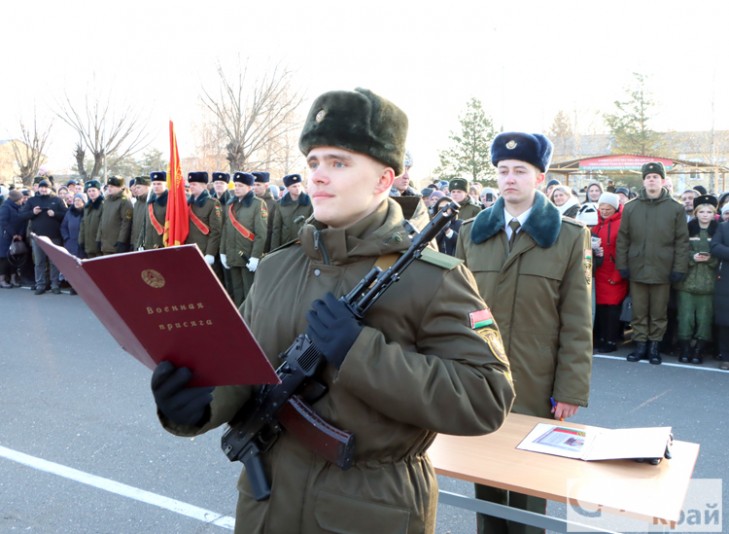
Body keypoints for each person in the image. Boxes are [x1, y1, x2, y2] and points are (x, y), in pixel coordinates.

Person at [150, 87, 515, 534]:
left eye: (338, 163)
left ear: (384, 180)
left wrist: (360, 352)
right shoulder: (278, 266)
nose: (318, 176)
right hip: (269, 506)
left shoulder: (432, 276)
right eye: (314, 162)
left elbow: (486, 397)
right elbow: (248, 365)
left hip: (369, 508)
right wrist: (197, 403)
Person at [456, 131, 592, 534]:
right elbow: (453, 311)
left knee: (532, 484)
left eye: (520, 170)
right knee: (488, 483)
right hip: (482, 379)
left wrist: (570, 389)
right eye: (503, 171)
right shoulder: (471, 234)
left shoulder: (569, 238)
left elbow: (577, 320)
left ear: (539, 176)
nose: (510, 178)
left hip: (538, 381)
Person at [616, 162, 689, 365]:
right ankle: (640, 346)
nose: (652, 180)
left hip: (663, 269)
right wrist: (622, 264)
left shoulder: (675, 208)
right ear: (643, 181)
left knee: (658, 312)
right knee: (639, 311)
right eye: (648, 177)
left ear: (663, 181)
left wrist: (679, 268)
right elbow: (623, 239)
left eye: (656, 177)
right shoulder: (631, 208)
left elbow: (682, 241)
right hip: (637, 267)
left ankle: (654, 347)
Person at [675, 195, 719, 364]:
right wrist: (693, 257)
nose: (705, 215)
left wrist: (711, 259)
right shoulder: (687, 229)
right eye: (702, 212)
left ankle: (699, 349)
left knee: (704, 318)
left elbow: (721, 253)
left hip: (709, 283)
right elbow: (679, 251)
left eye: (709, 212)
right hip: (687, 282)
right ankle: (685, 348)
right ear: (696, 213)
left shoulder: (718, 230)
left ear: (713, 213)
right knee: (685, 317)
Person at [220, 171, 268, 306]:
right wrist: (223, 252)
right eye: (235, 185)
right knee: (236, 292)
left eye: (240, 185)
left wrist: (255, 256)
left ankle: (251, 322)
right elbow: (226, 230)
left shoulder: (258, 204)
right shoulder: (231, 205)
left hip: (247, 257)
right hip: (232, 255)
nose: (237, 188)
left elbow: (261, 234)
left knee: (250, 292)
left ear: (249, 187)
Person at [591, 192, 628, 353]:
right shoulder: (595, 225)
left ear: (615, 208)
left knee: (612, 310)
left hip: (613, 273)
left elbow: (624, 251)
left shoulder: (621, 224)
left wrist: (618, 275)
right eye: (602, 208)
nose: (604, 211)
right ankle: (601, 338)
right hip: (599, 272)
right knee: (600, 309)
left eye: (608, 209)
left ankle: (611, 340)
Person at [19, 179, 67, 294]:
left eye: (46, 187)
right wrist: (33, 213)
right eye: (41, 187)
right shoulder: (32, 200)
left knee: (54, 262)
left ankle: (55, 284)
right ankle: (40, 284)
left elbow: (66, 214)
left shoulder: (57, 200)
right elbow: (22, 215)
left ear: (50, 188)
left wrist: (55, 214)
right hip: (38, 237)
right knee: (39, 262)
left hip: (54, 236)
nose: (43, 189)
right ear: (38, 188)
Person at [185, 171, 222, 266]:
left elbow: (216, 232)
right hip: (188, 249)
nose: (191, 187)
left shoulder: (212, 204)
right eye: (190, 184)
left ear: (204, 186)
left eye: (194, 184)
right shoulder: (187, 204)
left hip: (204, 251)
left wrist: (210, 253)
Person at [270, 173, 313, 249]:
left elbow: (314, 225)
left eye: (299, 185)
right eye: (294, 186)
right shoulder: (281, 205)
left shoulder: (309, 203)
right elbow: (277, 229)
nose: (297, 188)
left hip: (305, 245)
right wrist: (274, 250)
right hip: (286, 245)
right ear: (288, 188)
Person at [710, 213, 729, 369]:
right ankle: (726, 356)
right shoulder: (723, 227)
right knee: (725, 320)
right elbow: (715, 246)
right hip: (726, 279)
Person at [98, 176, 133, 255]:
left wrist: (121, 241)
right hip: (106, 244)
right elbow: (102, 221)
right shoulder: (107, 201)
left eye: (112, 187)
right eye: (108, 186)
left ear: (120, 187)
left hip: (116, 244)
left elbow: (126, 223)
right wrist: (98, 238)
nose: (109, 188)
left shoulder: (124, 201)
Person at [0, 190, 26, 288]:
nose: (22, 200)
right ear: (16, 199)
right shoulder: (5, 207)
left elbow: (22, 221)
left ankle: (13, 279)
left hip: (17, 236)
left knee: (15, 258)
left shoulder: (19, 207)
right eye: (20, 198)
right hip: (6, 237)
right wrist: (14, 234)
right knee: (5, 258)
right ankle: (2, 280)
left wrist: (20, 234)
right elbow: (4, 222)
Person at [139, 171, 168, 250]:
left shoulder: (170, 202)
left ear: (165, 185)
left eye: (159, 184)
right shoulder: (150, 202)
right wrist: (140, 244)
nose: (156, 186)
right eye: (154, 184)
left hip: (162, 246)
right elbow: (144, 225)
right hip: (148, 245)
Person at [78, 180, 104, 258]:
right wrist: (81, 241)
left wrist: (99, 242)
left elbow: (103, 225)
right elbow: (83, 224)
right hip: (88, 245)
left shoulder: (103, 205)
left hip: (99, 245)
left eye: (93, 190)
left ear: (99, 191)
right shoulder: (87, 206)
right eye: (89, 191)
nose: (91, 193)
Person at [252, 171, 276, 253]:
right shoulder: (249, 202)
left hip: (265, 246)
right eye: (254, 185)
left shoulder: (273, 204)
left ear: (266, 185)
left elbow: (274, 229)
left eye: (258, 185)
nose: (255, 187)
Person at [131, 175, 150, 250]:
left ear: (147, 187)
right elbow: (134, 225)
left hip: (147, 244)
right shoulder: (137, 203)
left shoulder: (150, 203)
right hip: (136, 244)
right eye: (135, 188)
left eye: (139, 187)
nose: (136, 190)